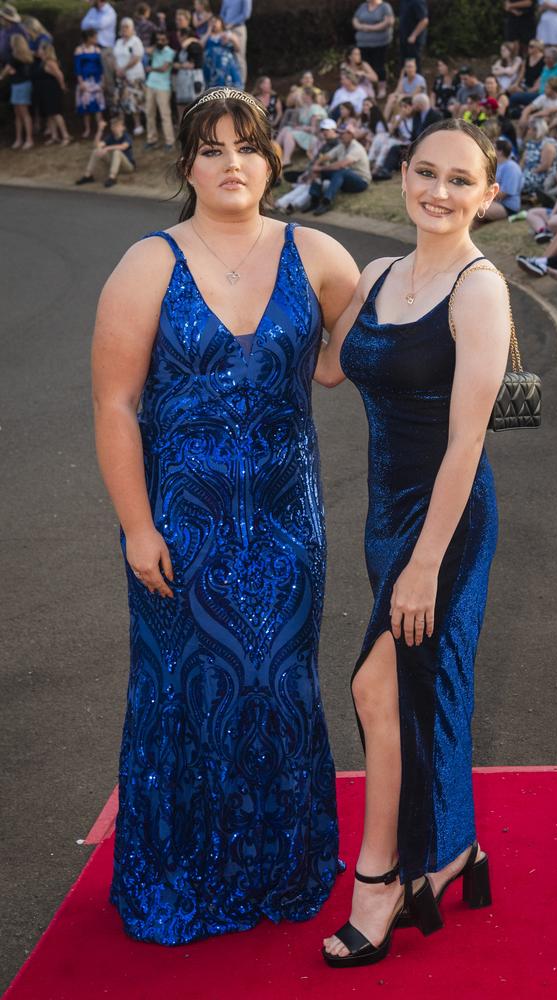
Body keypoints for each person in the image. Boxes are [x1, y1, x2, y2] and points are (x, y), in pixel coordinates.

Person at [91, 87, 359, 943]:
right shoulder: (148, 263)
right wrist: (137, 526)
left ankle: (283, 869)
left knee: (279, 689)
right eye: (211, 149)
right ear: (188, 167)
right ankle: (184, 877)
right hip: (181, 529)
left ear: (271, 159)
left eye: (245, 146)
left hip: (287, 526)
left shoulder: (316, 253)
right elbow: (114, 405)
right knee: (183, 698)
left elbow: (354, 355)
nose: (231, 162)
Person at [315, 117, 510, 967]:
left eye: (460, 180)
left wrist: (426, 565)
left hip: (446, 524)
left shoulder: (479, 289)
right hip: (384, 517)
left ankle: (382, 879)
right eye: (426, 172)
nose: (439, 191)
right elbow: (329, 365)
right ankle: (457, 851)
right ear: (402, 176)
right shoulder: (378, 272)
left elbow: (468, 443)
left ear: (488, 196)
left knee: (373, 690)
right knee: (409, 696)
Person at [308, 121, 372, 214]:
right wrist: (316, 165)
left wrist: (320, 168)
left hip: (361, 182)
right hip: (346, 179)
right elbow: (326, 156)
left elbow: (341, 165)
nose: (340, 135)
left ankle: (326, 202)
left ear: (350, 134)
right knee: (321, 171)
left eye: (343, 133)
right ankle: (314, 199)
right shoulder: (342, 145)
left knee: (340, 170)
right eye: (339, 133)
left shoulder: (357, 148)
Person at [76, 114, 135, 187]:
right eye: (113, 126)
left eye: (117, 126)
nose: (114, 128)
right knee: (96, 151)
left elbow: (123, 147)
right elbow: (96, 145)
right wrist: (100, 130)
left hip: (127, 166)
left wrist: (107, 148)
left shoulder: (127, 136)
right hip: (113, 164)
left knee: (117, 152)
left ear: (123, 127)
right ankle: (88, 175)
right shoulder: (110, 136)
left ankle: (112, 178)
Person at [32, 41, 72, 146]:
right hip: (44, 91)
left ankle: (65, 135)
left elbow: (59, 75)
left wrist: (62, 86)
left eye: (40, 49)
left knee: (56, 113)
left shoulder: (50, 62)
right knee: (50, 114)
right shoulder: (42, 62)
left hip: (52, 90)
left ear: (45, 50)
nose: (38, 51)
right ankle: (54, 136)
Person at [352, 0, 394, 100]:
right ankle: (367, 88)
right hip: (363, 43)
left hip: (379, 43)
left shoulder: (385, 7)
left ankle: (381, 88)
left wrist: (371, 28)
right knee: (364, 65)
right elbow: (355, 20)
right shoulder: (363, 6)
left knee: (379, 65)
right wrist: (360, 26)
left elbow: (388, 22)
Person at [276, 86, 325, 165]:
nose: (301, 96)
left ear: (308, 96)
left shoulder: (315, 108)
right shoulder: (305, 107)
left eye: (303, 94)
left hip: (313, 136)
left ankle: (286, 159)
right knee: (286, 129)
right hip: (304, 133)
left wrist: (300, 128)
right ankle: (273, 153)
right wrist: (297, 127)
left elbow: (314, 129)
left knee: (289, 134)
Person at [0, 32, 33, 149]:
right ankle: (19, 139)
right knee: (19, 114)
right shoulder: (26, 56)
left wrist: (3, 75)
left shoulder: (15, 58)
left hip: (20, 86)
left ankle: (28, 139)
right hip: (20, 85)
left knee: (23, 114)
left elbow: (7, 70)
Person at [113, 17, 145, 134]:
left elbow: (136, 58)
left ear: (132, 29)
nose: (124, 29)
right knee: (120, 102)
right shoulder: (118, 42)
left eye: (127, 27)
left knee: (134, 102)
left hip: (134, 76)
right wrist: (117, 69)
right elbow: (115, 57)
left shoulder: (136, 41)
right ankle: (121, 127)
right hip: (120, 77)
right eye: (123, 27)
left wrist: (124, 68)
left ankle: (138, 125)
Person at [144, 29, 175, 150]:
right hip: (150, 85)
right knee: (149, 113)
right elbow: (147, 51)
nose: (160, 42)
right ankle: (152, 139)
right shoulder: (155, 50)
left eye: (162, 39)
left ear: (167, 40)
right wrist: (155, 45)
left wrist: (151, 69)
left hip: (163, 87)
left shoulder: (170, 52)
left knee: (165, 114)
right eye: (158, 39)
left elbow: (164, 68)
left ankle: (170, 141)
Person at [481, 138, 523, 220]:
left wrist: (481, 196)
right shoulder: (497, 165)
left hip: (508, 207)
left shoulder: (511, 167)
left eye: (493, 147)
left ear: (500, 151)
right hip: (496, 202)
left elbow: (503, 194)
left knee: (474, 208)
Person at [75, 28, 106, 139]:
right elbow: (77, 68)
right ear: (89, 38)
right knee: (86, 106)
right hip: (85, 81)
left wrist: (102, 81)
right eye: (95, 37)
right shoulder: (79, 50)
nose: (96, 39)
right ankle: (87, 129)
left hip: (96, 80)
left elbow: (101, 67)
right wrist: (81, 82)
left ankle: (100, 128)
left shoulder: (97, 50)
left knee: (98, 106)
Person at [173, 14, 204, 122]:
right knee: (181, 106)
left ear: (184, 35)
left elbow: (193, 64)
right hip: (183, 81)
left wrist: (180, 65)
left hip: (193, 80)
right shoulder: (182, 48)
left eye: (179, 36)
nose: (178, 38)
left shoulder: (194, 46)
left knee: (195, 107)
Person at [520, 117, 557, 195]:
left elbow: (545, 166)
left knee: (517, 182)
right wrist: (518, 171)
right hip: (527, 172)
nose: (528, 131)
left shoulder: (547, 145)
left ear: (537, 130)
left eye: (529, 129)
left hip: (539, 175)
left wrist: (529, 173)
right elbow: (523, 161)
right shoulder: (530, 143)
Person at [202, 15, 241, 90]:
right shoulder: (207, 35)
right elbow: (201, 46)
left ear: (221, 23)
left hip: (226, 66)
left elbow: (238, 49)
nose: (213, 24)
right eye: (211, 22)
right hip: (210, 67)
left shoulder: (228, 34)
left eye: (215, 21)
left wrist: (230, 39)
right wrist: (208, 31)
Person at [219, 0, 251, 84]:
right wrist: (222, 25)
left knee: (239, 57)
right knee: (226, 56)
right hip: (226, 29)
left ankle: (241, 85)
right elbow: (222, 13)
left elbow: (246, 14)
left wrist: (232, 23)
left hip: (238, 29)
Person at [399, 0, 429, 70]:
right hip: (404, 39)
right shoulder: (404, 1)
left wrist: (414, 35)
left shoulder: (418, 2)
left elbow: (424, 20)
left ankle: (418, 80)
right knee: (404, 65)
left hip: (414, 41)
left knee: (414, 66)